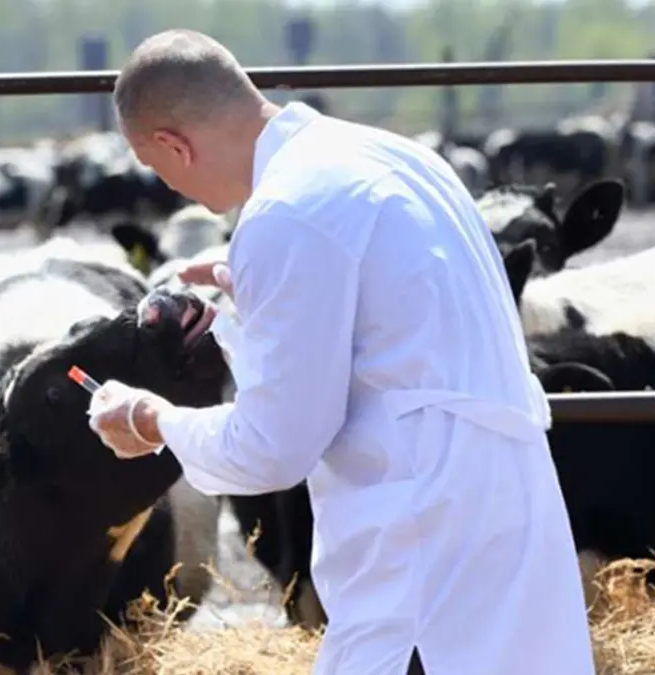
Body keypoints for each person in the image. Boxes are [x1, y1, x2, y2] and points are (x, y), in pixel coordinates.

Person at [87, 29, 596, 675]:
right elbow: (400, 316)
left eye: (158, 169)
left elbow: (272, 447)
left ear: (173, 145)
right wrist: (252, 294)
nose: (173, 188)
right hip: (506, 509)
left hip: (419, 540)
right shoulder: (399, 157)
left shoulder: (284, 213)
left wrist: (152, 420)